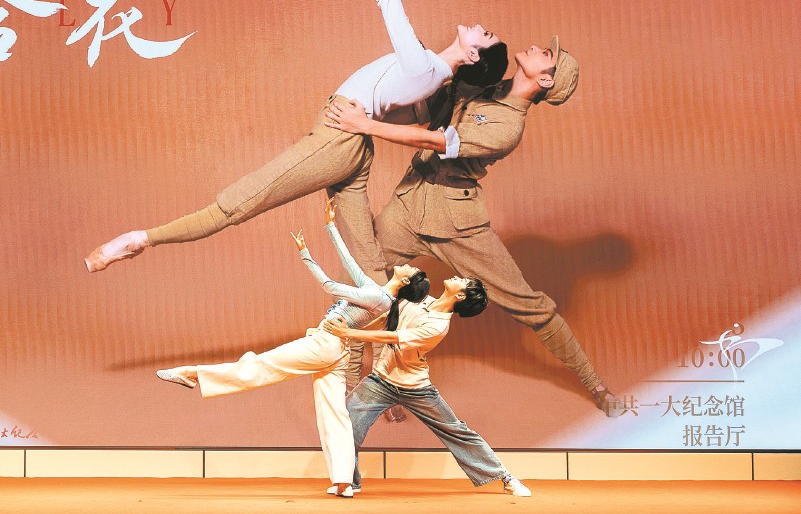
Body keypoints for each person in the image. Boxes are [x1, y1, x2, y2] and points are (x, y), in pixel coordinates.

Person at [84, 0, 508, 280]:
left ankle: (141, 239)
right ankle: (390, 335)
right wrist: (368, 123)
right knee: (369, 265)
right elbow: (408, 119)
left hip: (339, 139)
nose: (480, 27)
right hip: (353, 146)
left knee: (238, 203)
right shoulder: (431, 75)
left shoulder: (425, 68)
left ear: (473, 56)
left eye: (484, 35)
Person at [324, 37, 625, 416]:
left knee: (530, 306)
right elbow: (426, 110)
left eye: (546, 54)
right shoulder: (485, 82)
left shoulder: (508, 127)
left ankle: (596, 386)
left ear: (546, 80)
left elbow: (434, 140)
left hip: (458, 225)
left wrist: (364, 125)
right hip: (410, 203)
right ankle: (364, 385)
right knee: (357, 283)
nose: (537, 47)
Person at [155, 199, 430, 498]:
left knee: (262, 365)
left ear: (406, 280)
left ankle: (194, 374)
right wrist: (329, 226)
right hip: (335, 349)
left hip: (325, 343)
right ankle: (343, 482)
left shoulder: (380, 299)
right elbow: (350, 262)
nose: (407, 263)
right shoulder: (378, 292)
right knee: (334, 413)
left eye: (410, 268)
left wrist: (305, 255)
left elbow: (329, 286)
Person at [322, 276, 532, 497]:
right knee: (346, 424)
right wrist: (350, 327)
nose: (457, 276)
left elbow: (393, 337)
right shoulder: (419, 299)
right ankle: (348, 482)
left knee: (457, 431)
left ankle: (506, 478)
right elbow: (387, 322)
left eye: (462, 280)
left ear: (460, 295)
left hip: (416, 388)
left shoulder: (438, 326)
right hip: (381, 380)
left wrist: (349, 333)